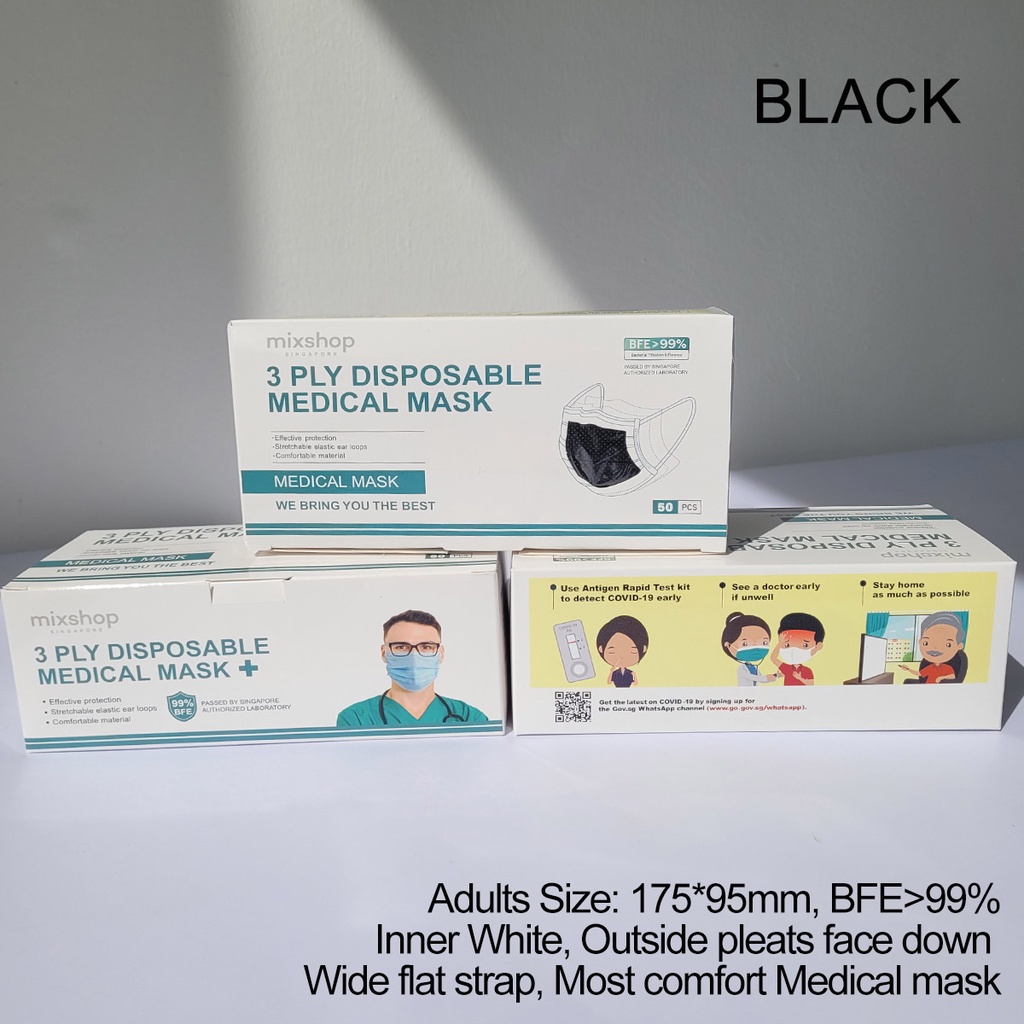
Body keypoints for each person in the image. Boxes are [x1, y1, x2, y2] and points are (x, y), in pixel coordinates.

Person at [336, 609, 490, 727]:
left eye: (426, 647)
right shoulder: (356, 718)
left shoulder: (469, 717)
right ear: (384, 653)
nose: (414, 656)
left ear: (441, 654)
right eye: (401, 647)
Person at [899, 611, 968, 684]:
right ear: (920, 642)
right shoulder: (931, 666)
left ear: (959, 646)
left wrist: (942, 677)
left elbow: (952, 676)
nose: (935, 648)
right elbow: (919, 674)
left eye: (948, 644)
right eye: (926, 643)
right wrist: (908, 669)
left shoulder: (947, 668)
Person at [721, 613, 779, 686]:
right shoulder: (742, 669)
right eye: (745, 644)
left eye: (764, 642)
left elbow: (760, 678)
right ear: (728, 645)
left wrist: (776, 675)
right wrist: (767, 678)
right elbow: (755, 678)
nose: (755, 647)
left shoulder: (753, 666)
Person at [770, 612, 825, 685]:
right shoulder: (787, 668)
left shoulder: (807, 670)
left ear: (818, 646)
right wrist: (780, 643)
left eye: (805, 645)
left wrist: (800, 678)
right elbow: (773, 658)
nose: (794, 649)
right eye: (787, 644)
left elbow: (811, 684)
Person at [596, 615, 649, 688]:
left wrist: (634, 675)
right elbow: (609, 682)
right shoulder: (615, 672)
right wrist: (611, 672)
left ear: (643, 649)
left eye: (632, 651)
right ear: (601, 649)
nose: (622, 656)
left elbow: (635, 683)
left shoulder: (630, 672)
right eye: (612, 651)